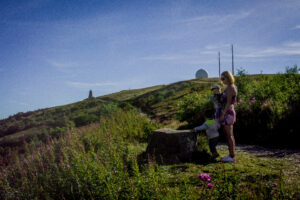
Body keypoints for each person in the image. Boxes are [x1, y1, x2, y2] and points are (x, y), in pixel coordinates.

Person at [219, 71, 238, 162]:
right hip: (229, 112)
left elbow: (228, 102)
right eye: (221, 79)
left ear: (228, 77)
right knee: (229, 135)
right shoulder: (230, 87)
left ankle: (232, 156)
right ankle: (231, 155)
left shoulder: (230, 88)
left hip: (228, 112)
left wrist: (223, 114)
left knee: (229, 135)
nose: (222, 81)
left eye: (223, 78)